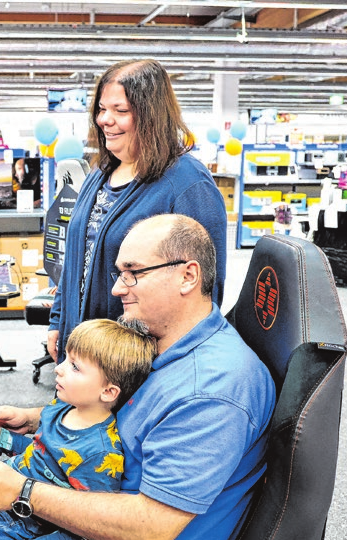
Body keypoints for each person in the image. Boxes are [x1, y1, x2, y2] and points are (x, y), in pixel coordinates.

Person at [0, 214, 276, 540]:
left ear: (188, 276)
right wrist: (34, 418)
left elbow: (150, 528)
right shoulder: (159, 344)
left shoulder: (211, 390)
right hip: (89, 505)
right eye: (119, 273)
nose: (117, 288)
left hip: (116, 534)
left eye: (133, 273)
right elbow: (128, 416)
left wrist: (22, 492)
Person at [0, 318, 156, 540]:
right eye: (66, 360)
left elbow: (91, 529)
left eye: (75, 367)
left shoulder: (100, 454)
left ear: (108, 392)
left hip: (21, 519)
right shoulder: (63, 407)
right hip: (11, 476)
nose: (58, 369)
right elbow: (39, 450)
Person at [47, 59, 227, 365]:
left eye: (120, 111)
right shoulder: (100, 173)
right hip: (85, 348)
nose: (105, 120)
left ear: (151, 115)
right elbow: (77, 257)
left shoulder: (188, 184)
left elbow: (204, 291)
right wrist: (58, 321)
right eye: (102, 109)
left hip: (135, 361)